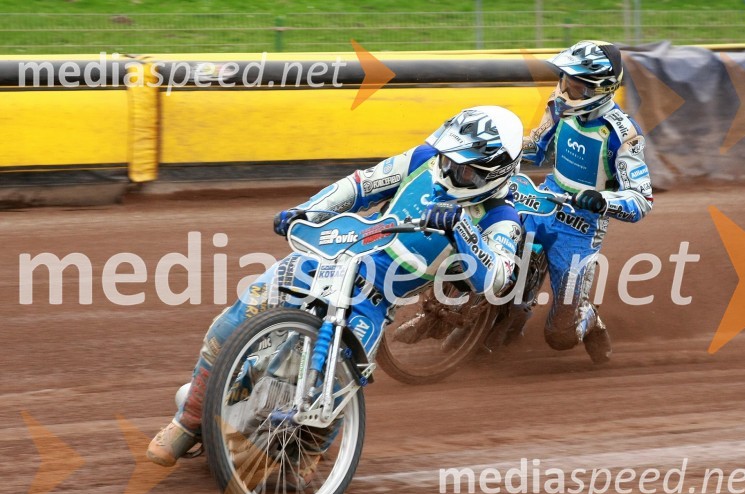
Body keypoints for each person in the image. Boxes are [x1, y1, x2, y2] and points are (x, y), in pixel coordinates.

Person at [147, 105, 526, 467]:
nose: (448, 171)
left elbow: (496, 281)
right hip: (329, 258)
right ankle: (188, 420)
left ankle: (305, 458)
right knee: (231, 325)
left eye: (464, 171)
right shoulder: (422, 158)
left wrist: (460, 227)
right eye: (447, 159)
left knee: (340, 386)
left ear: (494, 173)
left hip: (373, 299)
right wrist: (308, 211)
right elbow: (360, 186)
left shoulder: (502, 218)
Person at [518, 40, 653, 364]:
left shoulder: (623, 133)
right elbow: (536, 147)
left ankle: (588, 317)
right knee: (480, 227)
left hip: (580, 226)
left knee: (560, 336)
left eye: (576, 85)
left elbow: (641, 199)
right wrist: (495, 152)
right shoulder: (558, 105)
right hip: (543, 198)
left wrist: (601, 200)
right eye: (566, 80)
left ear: (602, 88)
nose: (567, 90)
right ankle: (439, 312)